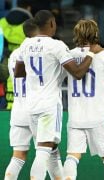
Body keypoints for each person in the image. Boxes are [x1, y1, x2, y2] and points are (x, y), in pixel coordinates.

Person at [14, 10, 102, 180]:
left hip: (31, 105)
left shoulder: (26, 44)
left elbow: (19, 72)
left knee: (52, 150)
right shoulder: (57, 46)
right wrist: (91, 52)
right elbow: (77, 73)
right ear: (52, 23)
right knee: (43, 151)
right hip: (49, 105)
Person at [63, 19, 104, 180]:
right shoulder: (103, 55)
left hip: (76, 117)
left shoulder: (69, 55)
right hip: (98, 117)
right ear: (96, 34)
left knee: (72, 156)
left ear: (77, 34)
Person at [4, 18, 63, 180]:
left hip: (18, 109)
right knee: (47, 150)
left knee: (18, 156)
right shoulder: (42, 51)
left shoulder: (15, 55)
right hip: (38, 106)